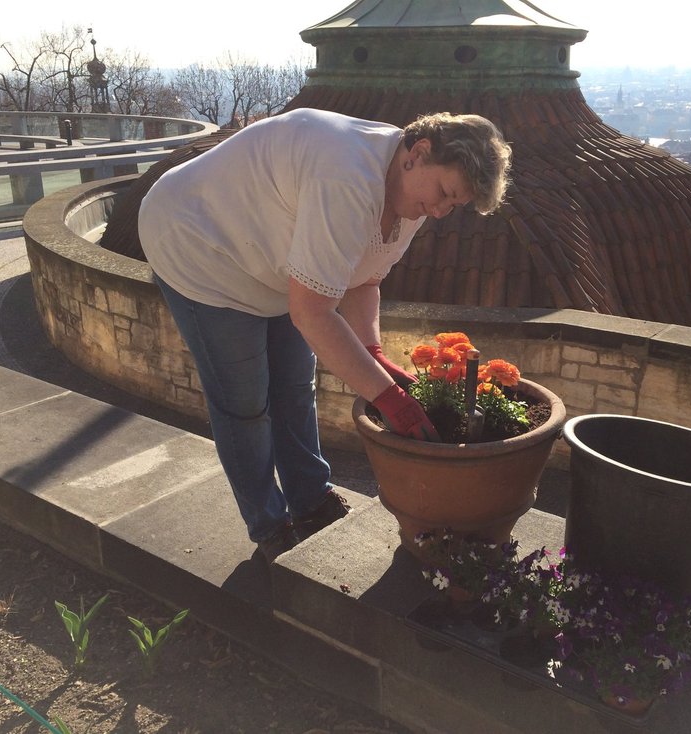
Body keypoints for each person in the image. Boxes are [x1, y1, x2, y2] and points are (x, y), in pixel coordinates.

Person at [137, 107, 511, 562]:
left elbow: (364, 280)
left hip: (273, 268)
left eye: (452, 205)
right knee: (245, 404)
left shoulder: (410, 193)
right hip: (199, 247)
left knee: (295, 389)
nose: (439, 211)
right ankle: (270, 525)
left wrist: (372, 351)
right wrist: (389, 398)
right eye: (444, 194)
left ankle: (311, 501)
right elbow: (312, 313)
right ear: (419, 152)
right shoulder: (347, 178)